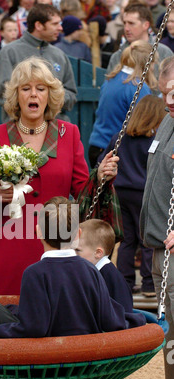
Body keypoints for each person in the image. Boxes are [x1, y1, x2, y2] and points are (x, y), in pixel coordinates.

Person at [0, 196, 146, 379]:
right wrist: (138, 318)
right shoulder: (90, 271)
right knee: (7, 314)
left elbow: (33, 329)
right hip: (78, 369)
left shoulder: (34, 273)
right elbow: (111, 320)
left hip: (45, 369)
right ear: (77, 233)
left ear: (38, 231)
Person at [0, 56, 119, 296]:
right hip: (9, 241)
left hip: (58, 244)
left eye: (41, 89)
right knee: (3, 317)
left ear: (50, 95)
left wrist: (100, 176)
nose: (33, 95)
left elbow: (82, 191)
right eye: (25, 88)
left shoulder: (68, 133)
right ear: (16, 96)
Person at [136, 56, 174, 379]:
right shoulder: (167, 118)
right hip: (160, 247)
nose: (170, 99)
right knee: (173, 339)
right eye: (164, 92)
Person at [98, 94, 167, 296]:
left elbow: (103, 161)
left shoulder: (120, 137)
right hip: (145, 194)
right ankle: (148, 284)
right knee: (146, 239)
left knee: (126, 240)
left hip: (120, 193)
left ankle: (126, 283)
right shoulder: (155, 141)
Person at [0, 4, 78, 123]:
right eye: (55, 24)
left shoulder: (59, 55)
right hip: (18, 130)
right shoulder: (10, 52)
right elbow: (2, 94)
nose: (60, 28)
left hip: (55, 130)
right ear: (38, 25)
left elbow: (71, 95)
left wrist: (50, 99)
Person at [88, 39, 157, 168]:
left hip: (97, 144)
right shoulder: (137, 86)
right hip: (115, 151)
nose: (153, 67)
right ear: (146, 63)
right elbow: (144, 124)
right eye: (153, 63)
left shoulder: (111, 80)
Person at [76, 218, 133, 311]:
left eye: (77, 250)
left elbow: (123, 313)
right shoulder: (92, 271)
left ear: (98, 253)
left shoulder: (111, 277)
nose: (73, 254)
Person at [106, 3, 173, 76]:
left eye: (131, 23)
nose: (126, 28)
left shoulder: (164, 52)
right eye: (125, 23)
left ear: (146, 25)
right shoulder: (117, 56)